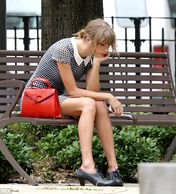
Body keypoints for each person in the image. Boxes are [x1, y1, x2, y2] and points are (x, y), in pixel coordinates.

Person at [21, 18, 124, 186]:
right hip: (38, 98)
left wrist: (96, 63)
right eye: (102, 44)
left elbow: (92, 91)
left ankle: (113, 168)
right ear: (88, 38)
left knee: (96, 104)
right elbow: (74, 92)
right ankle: (87, 166)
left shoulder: (91, 55)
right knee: (90, 103)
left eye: (108, 46)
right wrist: (109, 96)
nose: (106, 49)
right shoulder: (64, 49)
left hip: (58, 99)